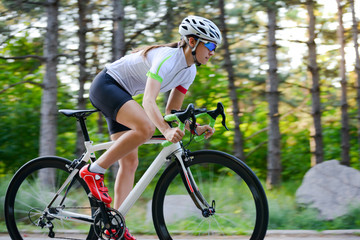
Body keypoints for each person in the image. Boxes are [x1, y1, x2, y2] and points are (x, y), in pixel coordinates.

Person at [79, 15, 222, 240]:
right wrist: (165, 130)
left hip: (122, 94)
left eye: (216, 47)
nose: (213, 52)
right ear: (192, 42)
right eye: (210, 45)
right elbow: (148, 101)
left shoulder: (189, 71)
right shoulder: (168, 58)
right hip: (107, 85)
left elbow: (173, 110)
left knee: (130, 161)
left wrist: (195, 127)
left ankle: (114, 227)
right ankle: (92, 171)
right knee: (145, 128)